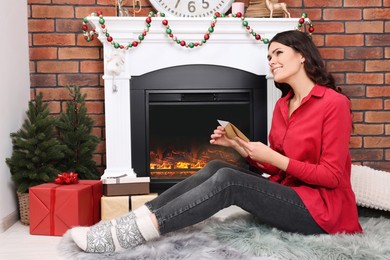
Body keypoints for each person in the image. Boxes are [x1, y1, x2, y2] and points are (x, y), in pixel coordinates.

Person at [70, 30, 362, 253]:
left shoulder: (333, 104)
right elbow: (277, 171)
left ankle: (132, 234)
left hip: (322, 213)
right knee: (215, 167)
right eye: (269, 57)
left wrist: (274, 158)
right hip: (288, 195)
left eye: (278, 53)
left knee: (229, 181)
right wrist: (239, 147)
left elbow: (333, 176)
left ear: (302, 55)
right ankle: (132, 222)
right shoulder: (283, 105)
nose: (271, 61)